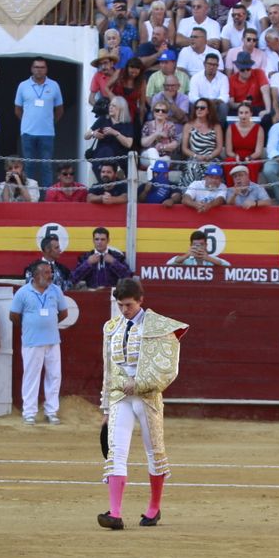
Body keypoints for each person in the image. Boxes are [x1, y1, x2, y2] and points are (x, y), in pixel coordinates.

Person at [98, 277, 189, 531]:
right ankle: (114, 513)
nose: (124, 310)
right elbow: (109, 369)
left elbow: (167, 369)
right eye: (120, 305)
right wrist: (105, 407)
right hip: (119, 397)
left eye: (128, 305)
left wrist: (138, 383)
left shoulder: (159, 326)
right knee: (116, 452)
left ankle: (154, 507)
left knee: (154, 452)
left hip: (147, 397)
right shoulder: (112, 328)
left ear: (140, 301)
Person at [11, 261, 72, 426]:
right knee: (31, 376)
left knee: (54, 376)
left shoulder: (56, 290)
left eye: (50, 272)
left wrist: (48, 324)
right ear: (36, 275)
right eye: (46, 272)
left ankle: (51, 411)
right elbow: (14, 316)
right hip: (32, 341)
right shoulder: (23, 292)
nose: (50, 275)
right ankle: (29, 412)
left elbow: (64, 313)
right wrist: (30, 326)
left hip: (52, 340)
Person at [14, 58, 64, 190]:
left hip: (47, 133)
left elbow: (59, 109)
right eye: (36, 67)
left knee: (46, 166)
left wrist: (51, 123)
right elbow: (17, 109)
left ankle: (47, 196)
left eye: (42, 67)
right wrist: (27, 122)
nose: (39, 70)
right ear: (31, 69)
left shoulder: (54, 85)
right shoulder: (23, 85)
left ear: (46, 69)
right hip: (27, 133)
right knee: (29, 165)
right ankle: (30, 195)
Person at [69, 227, 133, 289]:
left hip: (112, 294)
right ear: (93, 240)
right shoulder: (85, 257)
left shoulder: (117, 256)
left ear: (108, 240)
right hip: (91, 295)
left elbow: (128, 277)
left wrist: (114, 262)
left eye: (102, 239)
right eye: (97, 239)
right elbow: (74, 279)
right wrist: (88, 263)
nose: (99, 242)